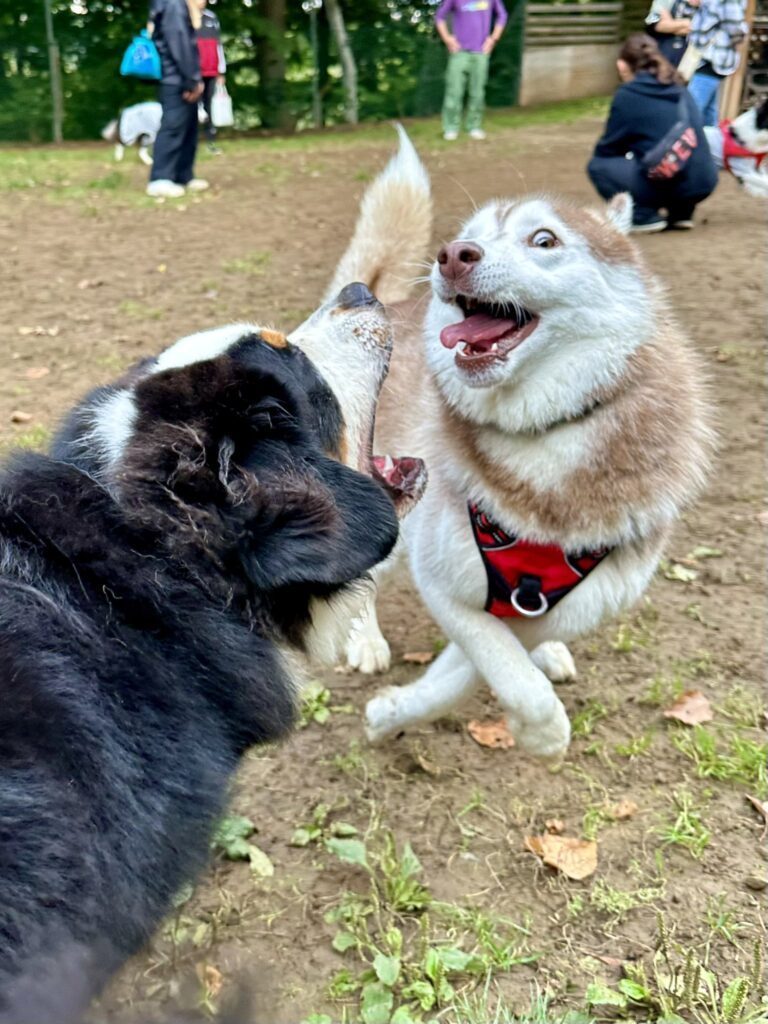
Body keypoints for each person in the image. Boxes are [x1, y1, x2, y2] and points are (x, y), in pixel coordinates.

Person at [587, 34, 718, 232]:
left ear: (622, 65)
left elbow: (609, 148)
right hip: (704, 181)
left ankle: (643, 215)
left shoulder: (629, 94)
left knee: (598, 166)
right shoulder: (680, 87)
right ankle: (682, 213)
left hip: (669, 180)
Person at [147, 0, 209, 199]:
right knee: (173, 127)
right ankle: (160, 178)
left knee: (188, 127)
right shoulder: (173, 4)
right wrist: (192, 79)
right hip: (175, 78)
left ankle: (183, 175)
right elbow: (179, 43)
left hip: (180, 76)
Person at [434, 0, 508, 142]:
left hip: (481, 53)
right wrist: (448, 39)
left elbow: (502, 16)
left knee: (478, 92)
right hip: (459, 53)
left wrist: (493, 39)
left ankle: (474, 126)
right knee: (454, 91)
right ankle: (450, 128)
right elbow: (439, 17)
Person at [686, 0, 748, 126]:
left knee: (690, 113)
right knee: (708, 115)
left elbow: (735, 27)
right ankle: (711, 144)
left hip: (711, 58)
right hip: (704, 58)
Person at [196, 0, 227, 154]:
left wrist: (221, 70)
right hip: (193, 71)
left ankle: (210, 141)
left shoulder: (211, 18)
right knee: (193, 105)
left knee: (209, 105)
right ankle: (190, 142)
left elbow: (218, 45)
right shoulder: (185, 17)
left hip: (211, 70)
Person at [645, 0, 700, 66]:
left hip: (692, 60)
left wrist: (671, 24)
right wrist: (686, 22)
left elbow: (695, 28)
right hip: (661, 51)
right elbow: (659, 26)